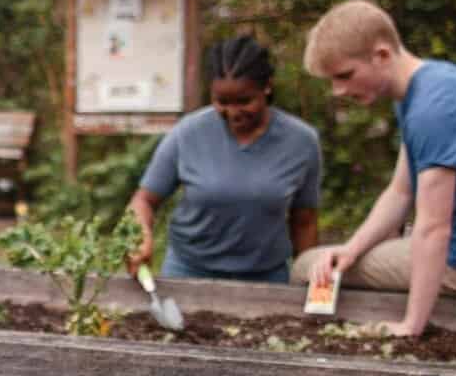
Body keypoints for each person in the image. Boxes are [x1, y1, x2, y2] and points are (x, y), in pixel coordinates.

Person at [290, 0, 456, 336]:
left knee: (307, 266)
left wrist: (412, 325)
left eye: (345, 75)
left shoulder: (433, 110)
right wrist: (350, 249)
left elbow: (434, 227)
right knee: (333, 260)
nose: (339, 90)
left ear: (381, 55)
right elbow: (401, 191)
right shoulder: (426, 89)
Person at [125, 36, 322, 283]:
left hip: (266, 277)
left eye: (244, 101)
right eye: (222, 102)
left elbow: (304, 222)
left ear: (267, 87)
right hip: (189, 272)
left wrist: (311, 284)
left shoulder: (301, 142)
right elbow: (144, 200)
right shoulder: (188, 133)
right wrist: (140, 235)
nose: (233, 112)